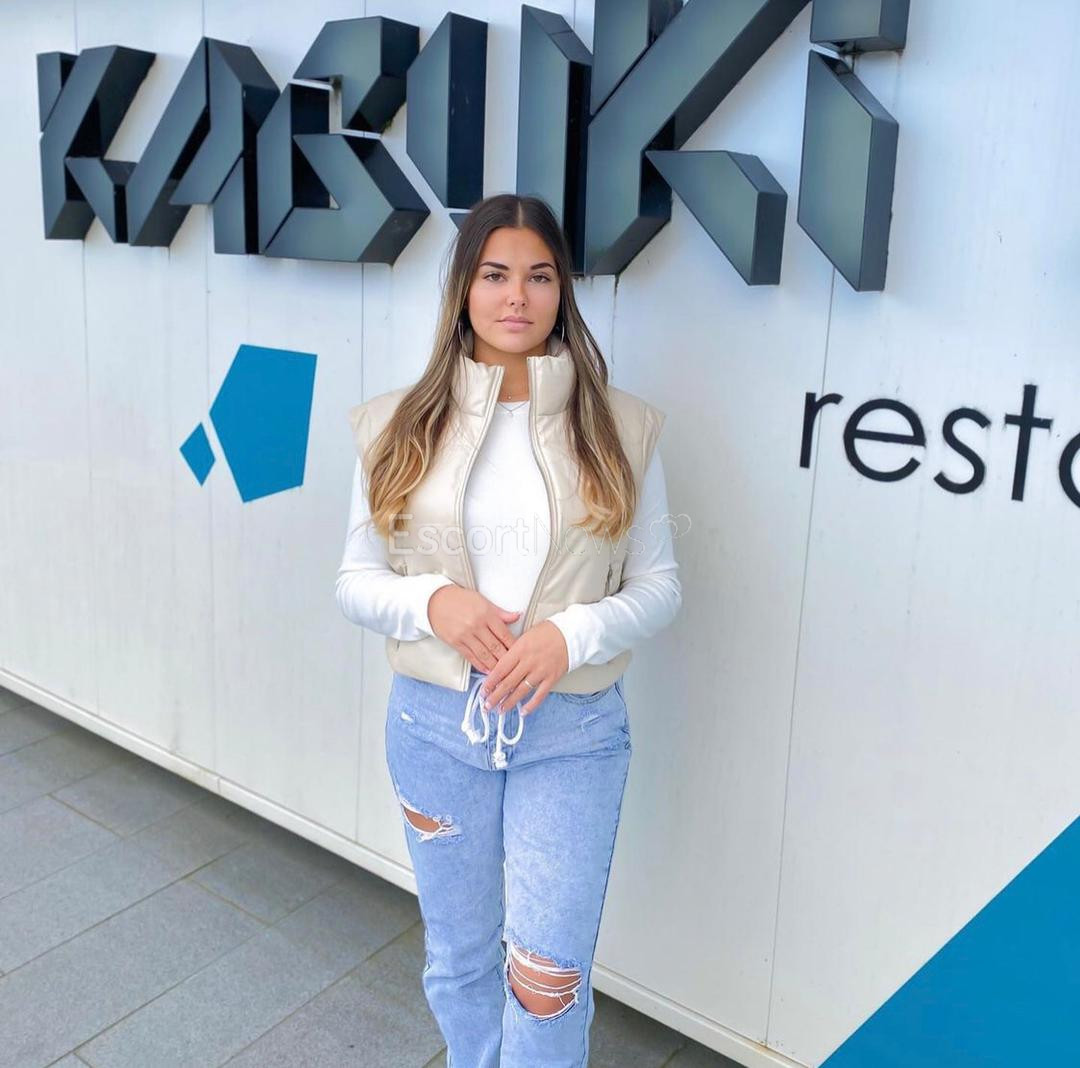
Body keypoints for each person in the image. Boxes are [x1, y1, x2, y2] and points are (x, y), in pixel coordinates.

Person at [335, 193, 682, 1067]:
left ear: (563, 290)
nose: (516, 297)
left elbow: (660, 586)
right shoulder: (394, 424)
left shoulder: (621, 426)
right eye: (495, 275)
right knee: (458, 960)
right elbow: (355, 581)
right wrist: (432, 604)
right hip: (433, 729)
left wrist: (573, 635)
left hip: (573, 735)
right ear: (463, 287)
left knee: (547, 978)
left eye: (539, 276)